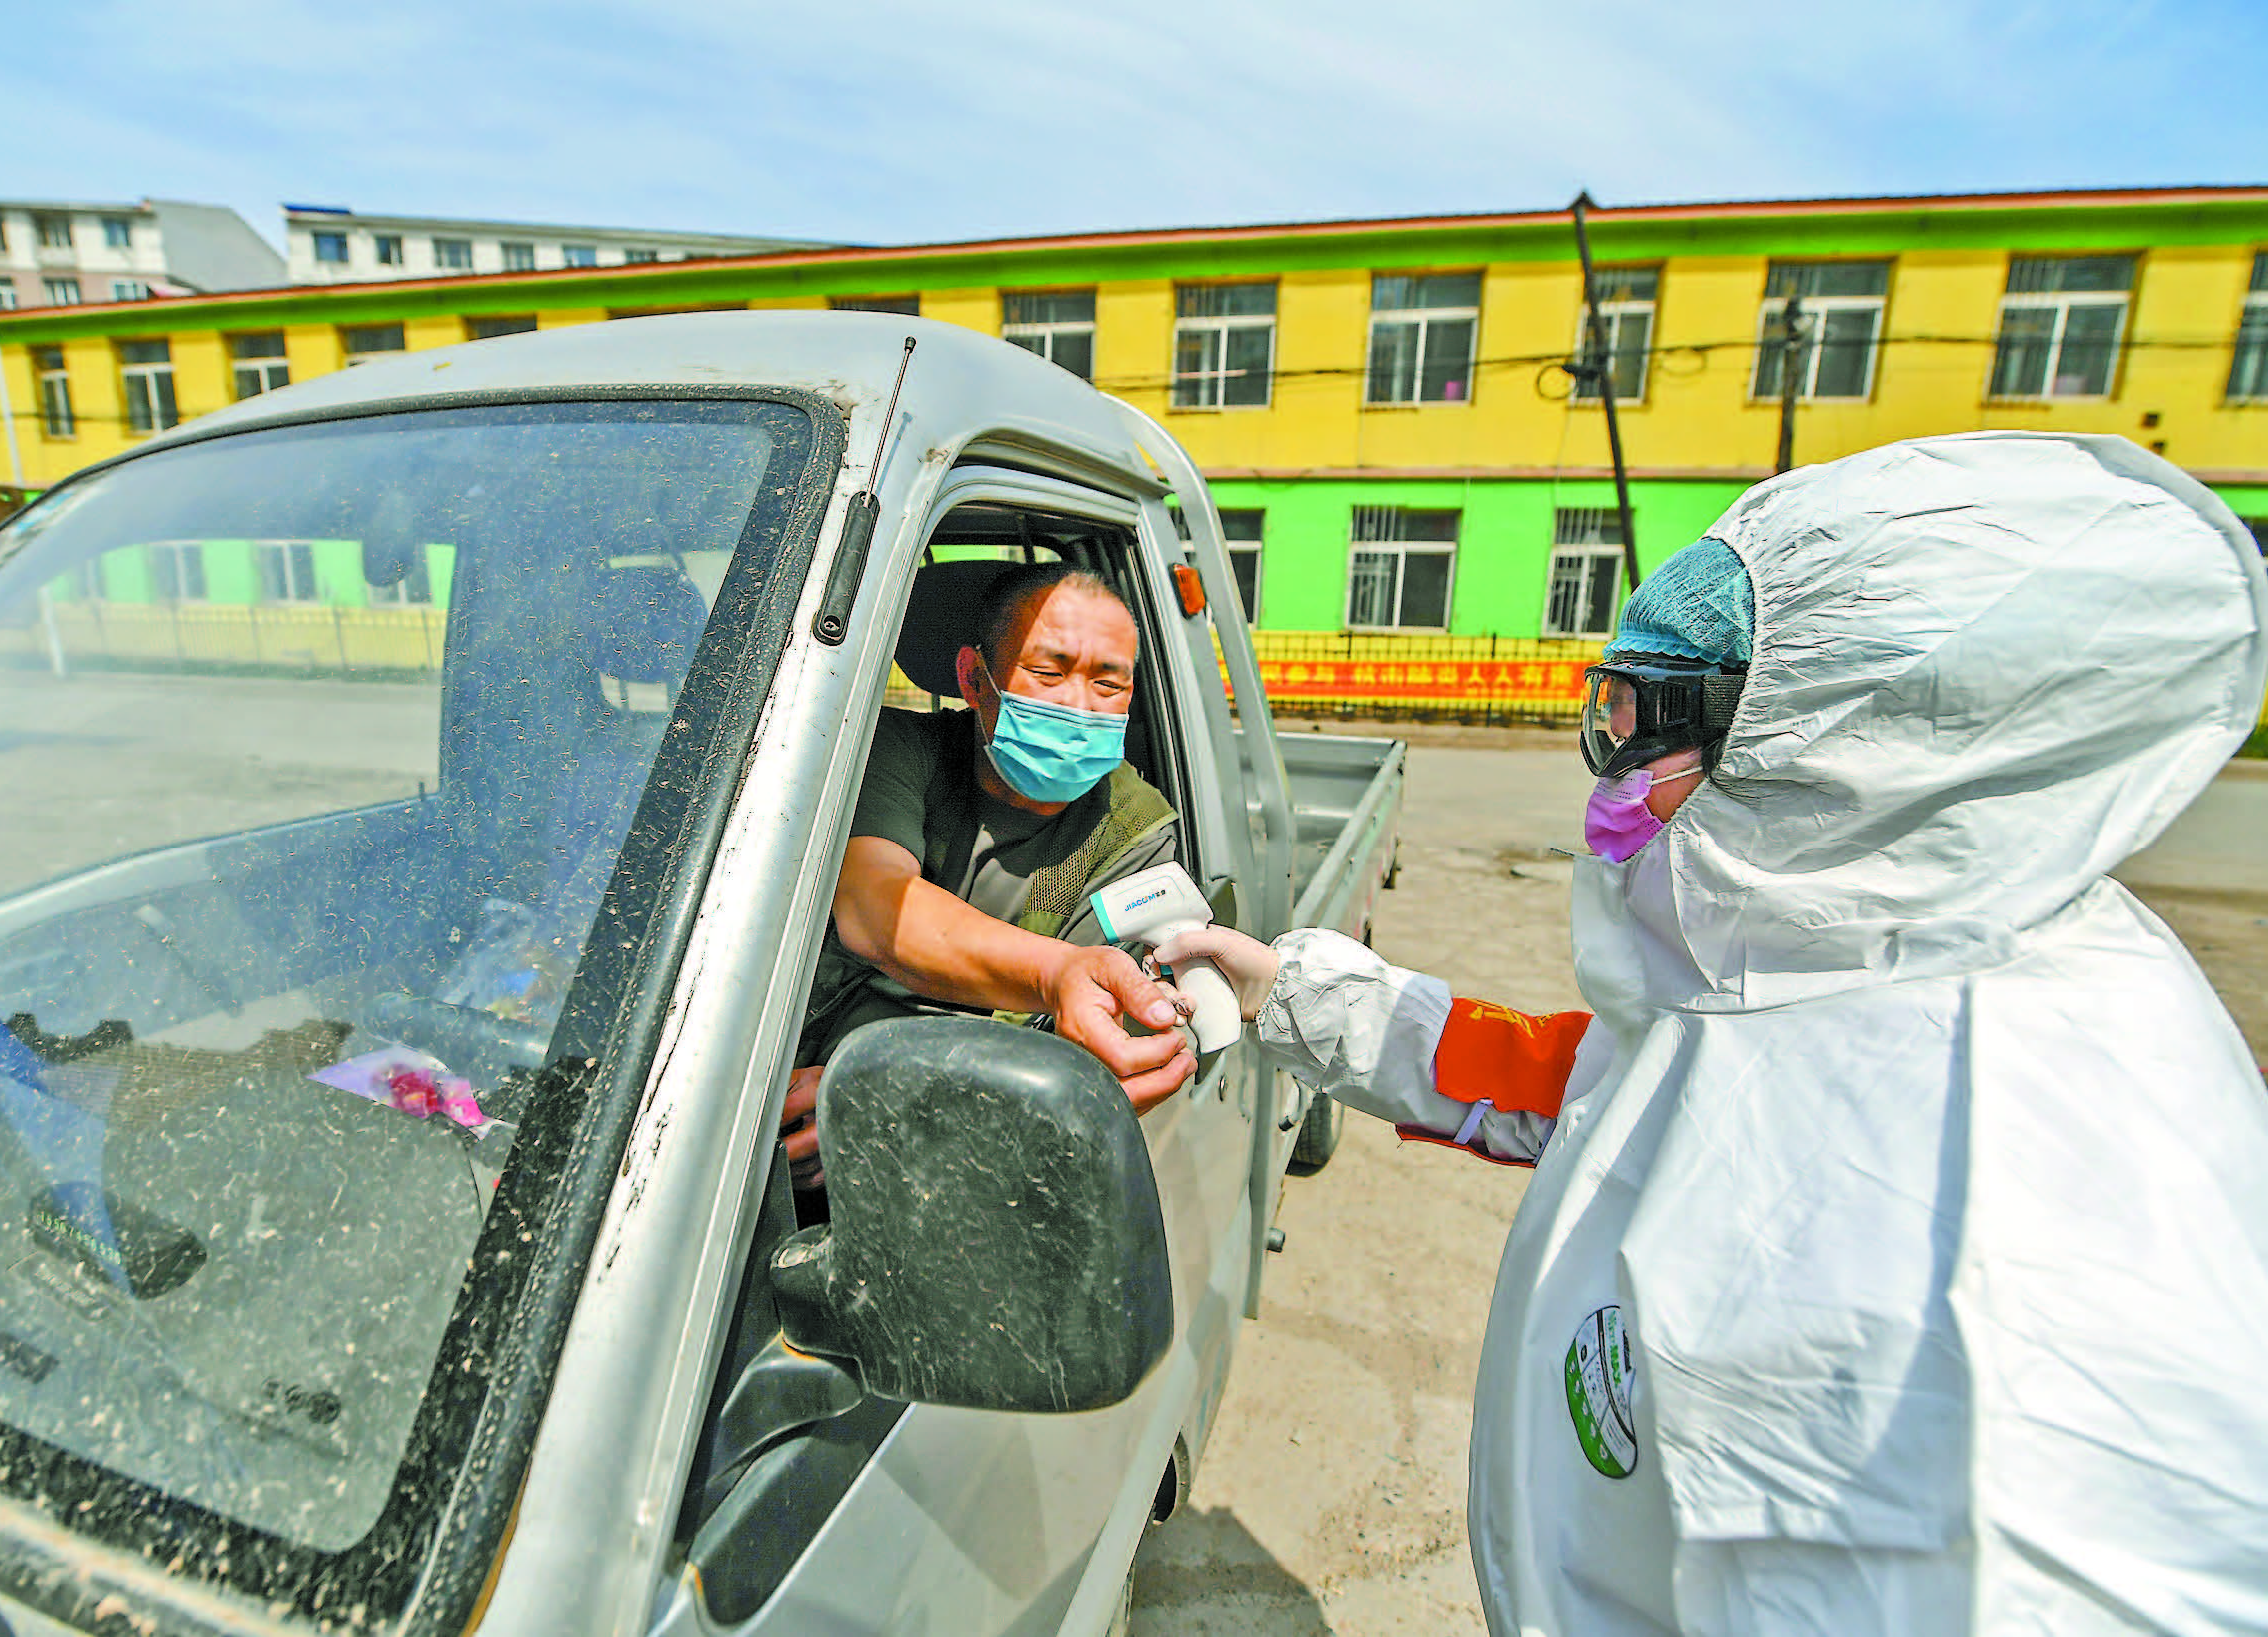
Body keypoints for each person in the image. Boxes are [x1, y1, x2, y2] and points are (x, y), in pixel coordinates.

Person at [1160, 432, 2268, 1634]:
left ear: (1837, 756)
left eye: (1645, 725)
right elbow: (1597, 1091)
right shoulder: (1866, 959)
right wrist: (1293, 991)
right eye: (1610, 712)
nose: (1609, 776)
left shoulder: (2009, 1284)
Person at [784, 564, 1195, 1182]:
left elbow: (1071, 1043)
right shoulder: (899, 750)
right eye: (1049, 673)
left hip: (961, 1143)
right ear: (974, 679)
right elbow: (876, 908)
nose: (1078, 705)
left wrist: (888, 1092)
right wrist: (1055, 972)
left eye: (1109, 683)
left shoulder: (1133, 831)